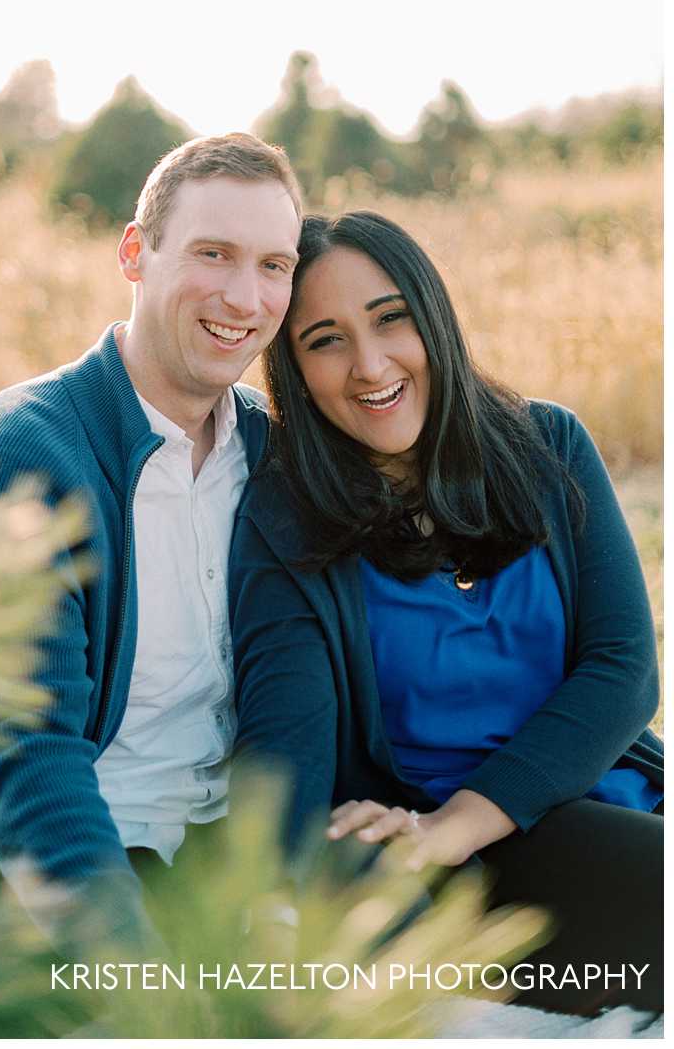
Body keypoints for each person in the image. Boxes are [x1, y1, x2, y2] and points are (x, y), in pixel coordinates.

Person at [230, 211, 663, 1015]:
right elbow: (285, 746)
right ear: (291, 369)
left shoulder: (550, 446)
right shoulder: (286, 520)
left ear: (433, 315)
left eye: (391, 319)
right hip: (427, 856)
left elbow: (624, 673)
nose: (369, 365)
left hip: (578, 803)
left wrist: (459, 825)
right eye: (325, 339)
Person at [0, 133, 303, 945]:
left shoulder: (270, 450)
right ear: (135, 253)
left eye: (274, 266)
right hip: (61, 876)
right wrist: (130, 975)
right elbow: (28, 761)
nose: (245, 299)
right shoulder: (28, 450)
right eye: (213, 254)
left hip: (226, 865)